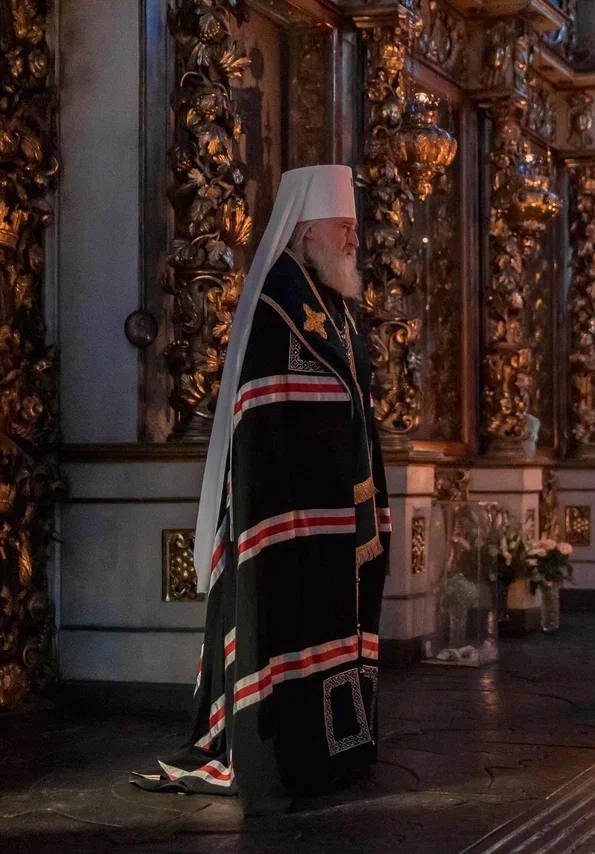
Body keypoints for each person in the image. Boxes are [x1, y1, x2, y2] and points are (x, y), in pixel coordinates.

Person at [135, 165, 391, 814]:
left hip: (337, 513)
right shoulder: (279, 297)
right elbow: (270, 409)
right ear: (307, 231)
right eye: (345, 228)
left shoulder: (333, 304)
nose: (354, 241)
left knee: (332, 629)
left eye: (355, 229)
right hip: (289, 515)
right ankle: (288, 757)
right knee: (289, 631)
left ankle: (339, 750)